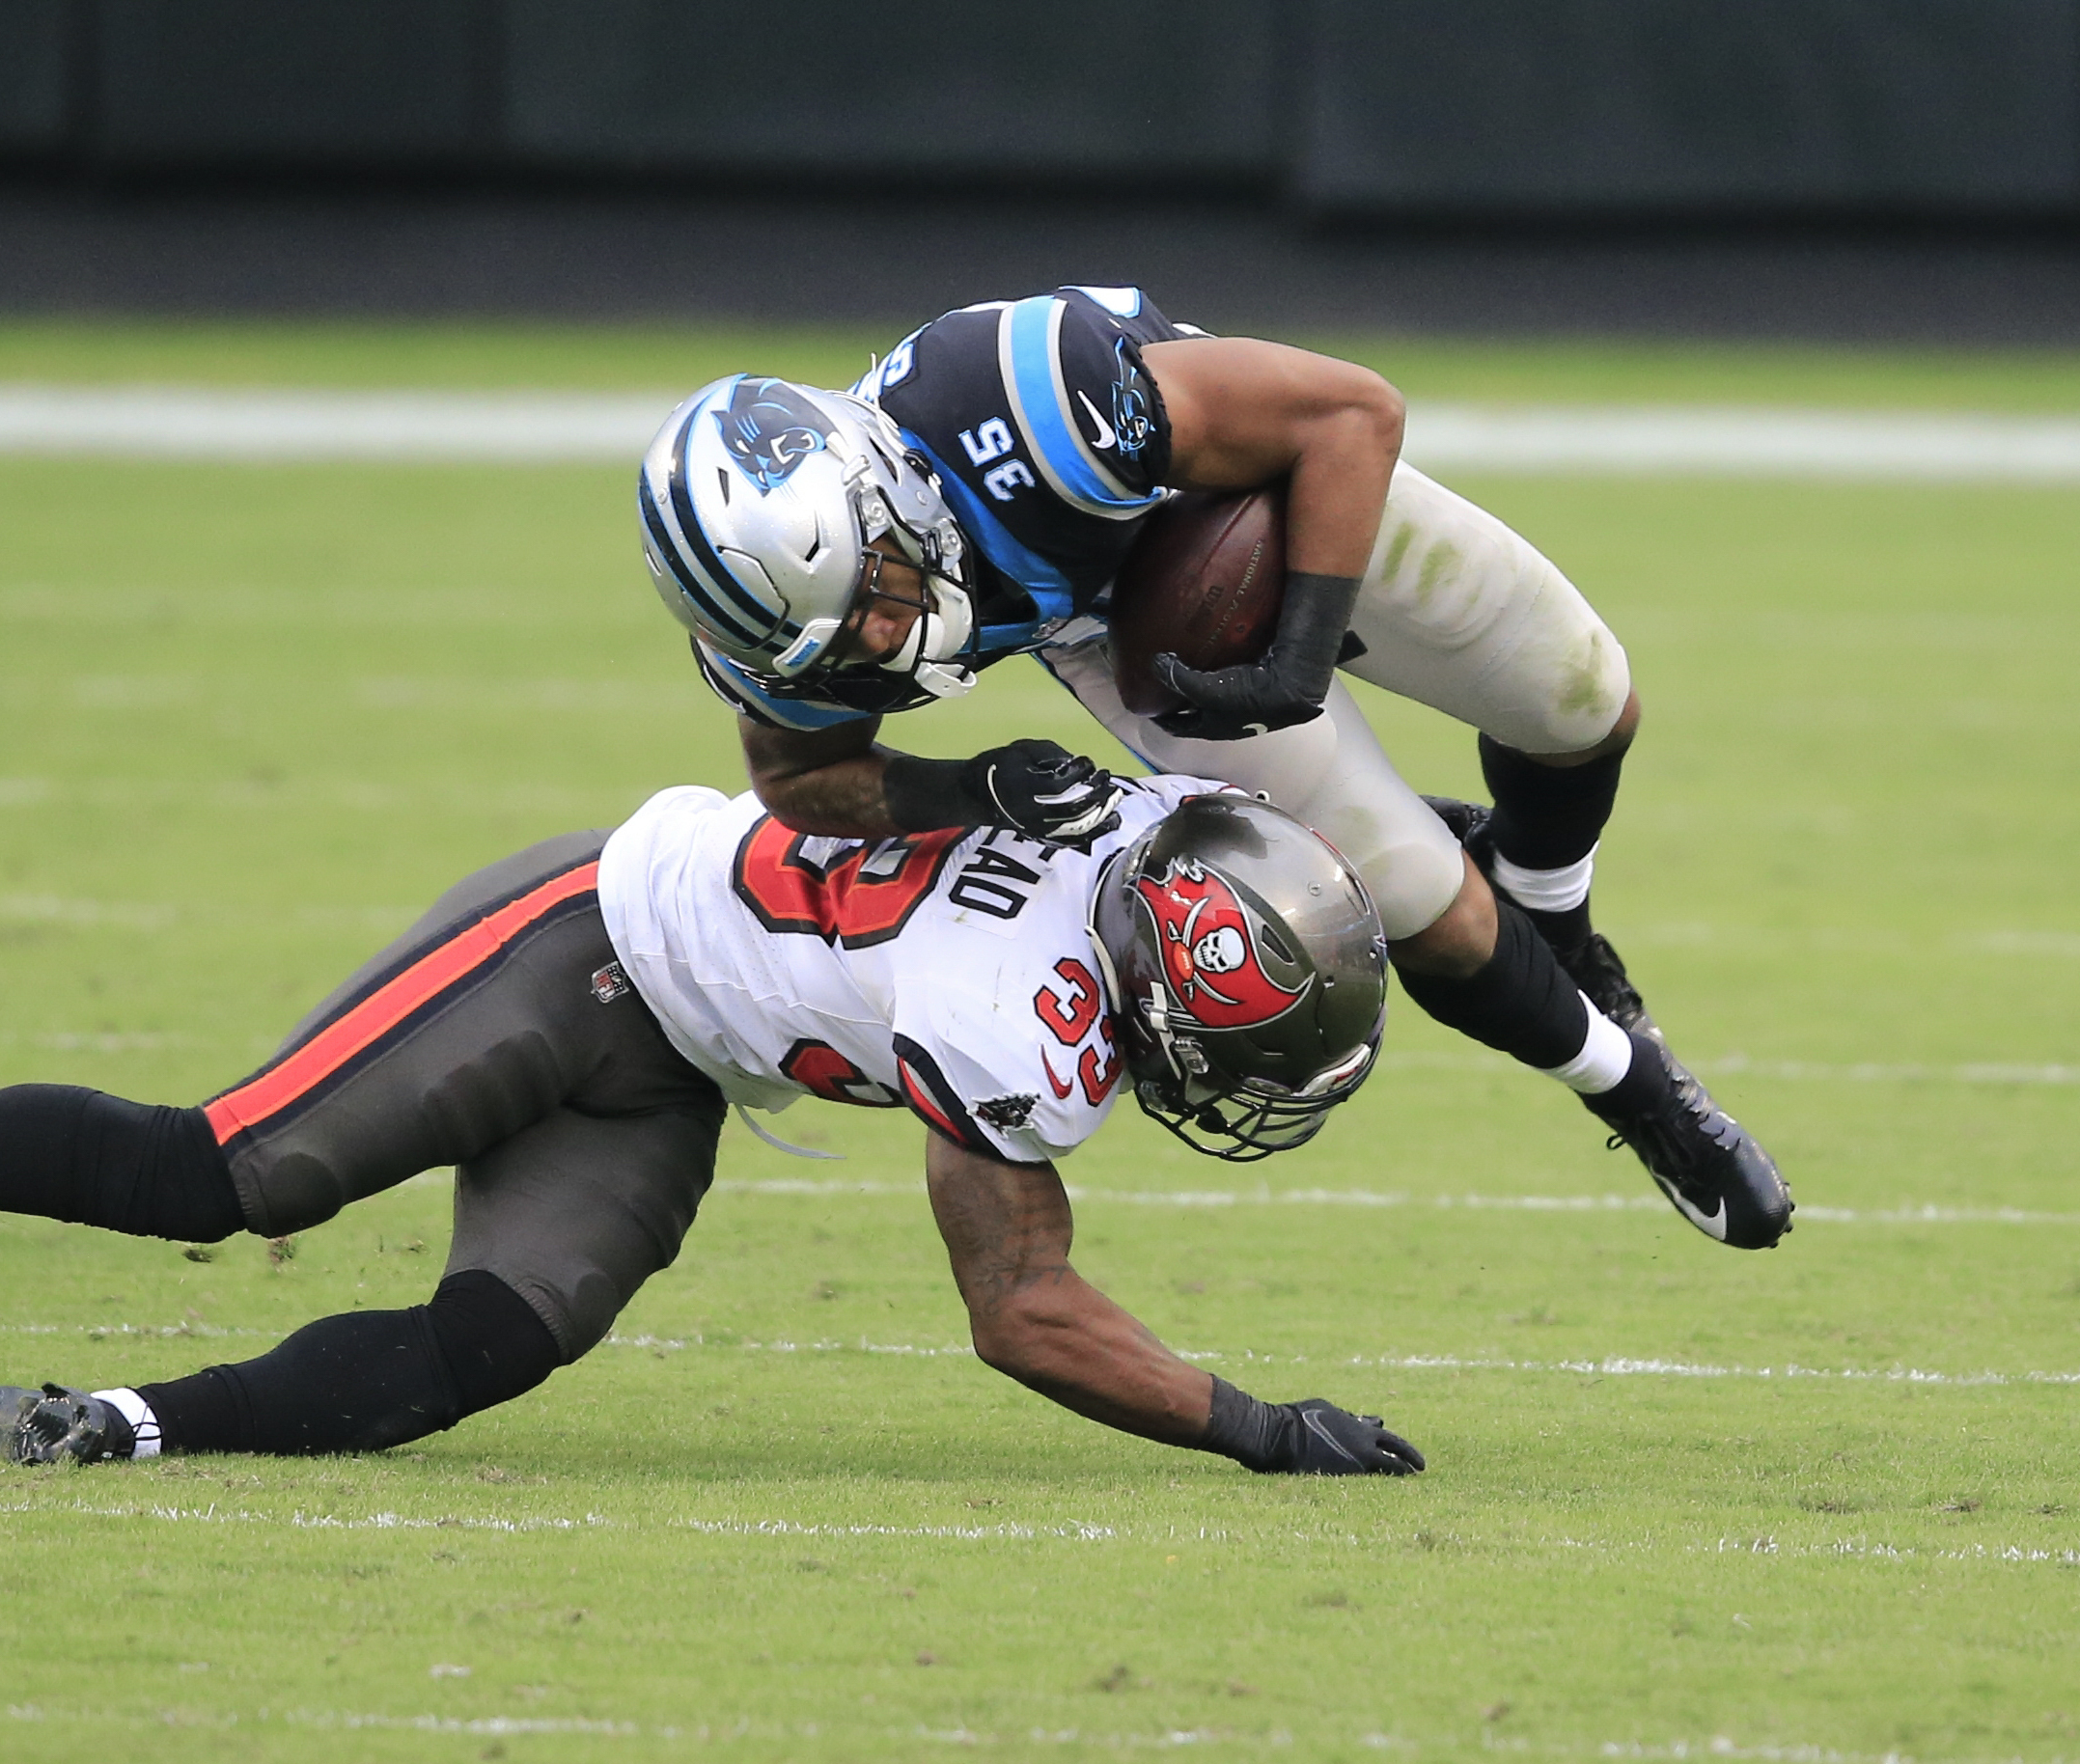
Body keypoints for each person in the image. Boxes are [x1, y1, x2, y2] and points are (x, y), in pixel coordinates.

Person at [0, 782, 1423, 1476]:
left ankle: (128, 1425)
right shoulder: (1020, 1021)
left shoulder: (1165, 808)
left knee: (483, 1347)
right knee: (232, 1168)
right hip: (591, 941)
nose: (1250, 1078)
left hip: (680, 1054)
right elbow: (1021, 1308)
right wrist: (1258, 1428)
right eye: (1246, 1043)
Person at [638, 286, 1792, 1250]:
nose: (873, 650)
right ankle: (1635, 1085)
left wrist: (1297, 658)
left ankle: (1560, 913)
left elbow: (1351, 411)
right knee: (1408, 894)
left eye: (872, 602)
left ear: (881, 500)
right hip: (1110, 634)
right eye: (832, 643)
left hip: (1254, 495)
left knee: (1582, 697)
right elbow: (800, 783)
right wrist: (976, 786)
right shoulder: (791, 637)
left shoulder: (1022, 401)